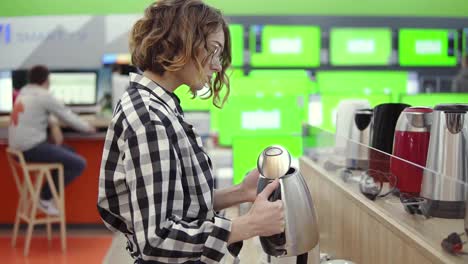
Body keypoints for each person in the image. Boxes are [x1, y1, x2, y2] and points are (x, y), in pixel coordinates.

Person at [97, 0, 285, 263]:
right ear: (179, 42)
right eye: (213, 49)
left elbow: (179, 205)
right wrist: (248, 226)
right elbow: (156, 239)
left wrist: (240, 192)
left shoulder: (158, 106)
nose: (218, 66)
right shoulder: (150, 118)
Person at [8, 65, 96, 216]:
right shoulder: (43, 95)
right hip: (31, 149)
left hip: (17, 151)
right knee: (79, 163)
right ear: (47, 80)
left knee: (68, 152)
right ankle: (45, 196)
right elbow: (67, 116)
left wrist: (53, 124)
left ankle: (47, 191)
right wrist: (88, 128)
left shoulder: (24, 93)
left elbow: (44, 112)